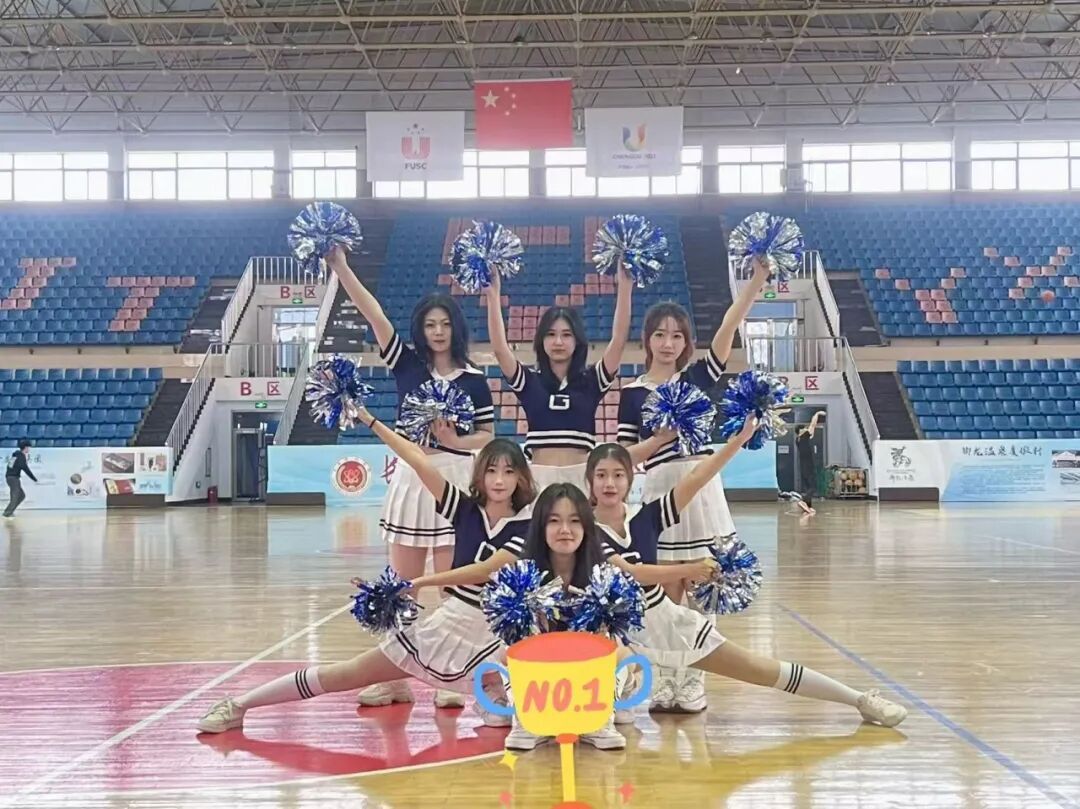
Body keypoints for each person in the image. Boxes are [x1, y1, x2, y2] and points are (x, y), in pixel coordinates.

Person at [195, 412, 535, 735]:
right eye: (491, 471)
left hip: (492, 635)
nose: (499, 480)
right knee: (345, 674)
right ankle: (238, 705)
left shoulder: (527, 526)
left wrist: (420, 582)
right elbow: (416, 459)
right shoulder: (464, 509)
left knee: (505, 714)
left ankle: (490, 695)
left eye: (508, 471)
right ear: (479, 476)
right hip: (445, 627)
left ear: (521, 477)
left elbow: (485, 570)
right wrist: (369, 419)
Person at [327, 245, 495, 709]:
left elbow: (488, 436)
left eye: (444, 324)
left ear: (456, 328)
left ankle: (449, 676)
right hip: (411, 478)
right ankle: (396, 679)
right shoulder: (406, 365)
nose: (437, 332)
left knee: (452, 588)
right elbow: (375, 314)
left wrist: (455, 439)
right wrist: (342, 268)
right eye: (429, 325)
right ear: (420, 330)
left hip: (456, 481)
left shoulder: (475, 379)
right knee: (400, 586)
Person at [615, 256, 771, 713]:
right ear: (647, 339)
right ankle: (666, 679)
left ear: (686, 342)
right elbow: (623, 458)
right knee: (665, 596)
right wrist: (658, 439)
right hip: (660, 489)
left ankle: (694, 682)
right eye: (660, 334)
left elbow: (728, 326)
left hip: (703, 486)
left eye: (677, 335)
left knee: (705, 584)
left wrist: (756, 281)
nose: (668, 343)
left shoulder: (699, 377)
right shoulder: (632, 393)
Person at [485, 264, 633, 491]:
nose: (558, 342)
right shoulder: (529, 382)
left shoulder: (592, 381)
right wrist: (493, 295)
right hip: (539, 479)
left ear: (577, 340)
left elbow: (619, 340)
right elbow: (500, 349)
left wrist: (625, 288)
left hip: (581, 480)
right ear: (541, 340)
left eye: (566, 335)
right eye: (551, 334)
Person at [795, 411, 824, 516]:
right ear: (800, 431)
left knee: (808, 487)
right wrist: (817, 414)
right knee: (813, 487)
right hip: (808, 465)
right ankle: (803, 501)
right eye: (804, 428)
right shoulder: (804, 436)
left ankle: (808, 506)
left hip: (803, 466)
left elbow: (811, 430)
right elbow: (812, 425)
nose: (806, 429)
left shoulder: (798, 439)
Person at [4, 440, 37, 519]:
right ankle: (7, 513)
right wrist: (34, 479)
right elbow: (25, 468)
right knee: (15, 496)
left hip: (10, 477)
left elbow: (9, 466)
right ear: (25, 448)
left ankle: (9, 511)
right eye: (28, 447)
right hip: (14, 478)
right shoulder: (21, 456)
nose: (29, 449)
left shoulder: (15, 456)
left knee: (21, 495)